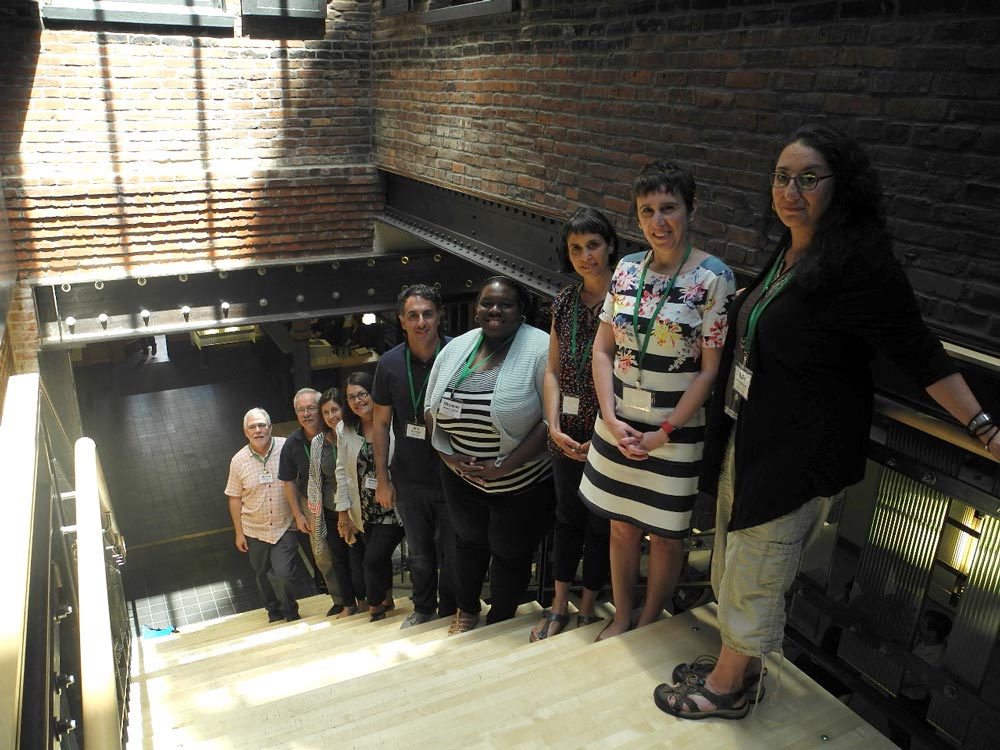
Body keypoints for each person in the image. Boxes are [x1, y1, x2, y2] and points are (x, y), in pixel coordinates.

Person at [654, 123, 1000, 721]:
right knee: (735, 558)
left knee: (757, 566)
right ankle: (742, 666)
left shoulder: (860, 263)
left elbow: (918, 352)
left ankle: (729, 688)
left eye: (808, 179)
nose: (791, 190)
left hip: (799, 450)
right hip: (756, 433)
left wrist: (985, 427)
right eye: (782, 177)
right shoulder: (794, 247)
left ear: (844, 187)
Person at [580, 161, 736, 642]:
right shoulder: (626, 269)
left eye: (668, 208)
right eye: (647, 210)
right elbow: (603, 348)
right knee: (622, 528)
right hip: (618, 423)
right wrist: (608, 414)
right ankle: (622, 615)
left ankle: (649, 623)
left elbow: (710, 371)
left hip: (674, 431)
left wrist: (663, 432)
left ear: (691, 210)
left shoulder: (714, 278)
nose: (658, 221)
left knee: (667, 537)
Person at [425, 276, 554, 634]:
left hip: (519, 483)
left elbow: (550, 420)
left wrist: (503, 466)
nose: (494, 310)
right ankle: (466, 611)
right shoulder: (458, 347)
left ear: (521, 310)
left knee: (509, 553)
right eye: (486, 303)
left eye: (505, 304)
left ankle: (500, 619)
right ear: (476, 308)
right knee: (466, 544)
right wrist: (449, 456)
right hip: (460, 478)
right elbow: (430, 405)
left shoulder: (540, 347)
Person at [529, 207, 617, 642]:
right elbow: (551, 371)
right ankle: (559, 605)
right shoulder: (563, 302)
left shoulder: (624, 302)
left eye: (593, 245)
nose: (586, 256)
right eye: (576, 248)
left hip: (609, 432)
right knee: (567, 518)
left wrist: (604, 430)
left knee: (600, 522)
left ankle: (588, 607)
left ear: (610, 246)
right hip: (564, 432)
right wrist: (552, 424)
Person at [373, 284, 457, 629]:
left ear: (439, 317)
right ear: (402, 321)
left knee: (454, 551)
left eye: (427, 313)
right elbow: (379, 424)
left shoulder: (459, 353)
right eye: (413, 315)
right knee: (420, 554)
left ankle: (454, 610)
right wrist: (382, 479)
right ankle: (423, 609)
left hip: (455, 475)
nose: (421, 321)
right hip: (409, 479)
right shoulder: (390, 363)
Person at [335, 371, 403, 622]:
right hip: (363, 507)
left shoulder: (393, 420)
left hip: (394, 506)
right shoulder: (345, 428)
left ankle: (375, 609)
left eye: (362, 394)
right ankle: (387, 599)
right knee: (379, 558)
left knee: (372, 560)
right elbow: (341, 471)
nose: (357, 401)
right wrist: (343, 511)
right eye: (351, 397)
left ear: (373, 393)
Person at [224, 408, 300, 623]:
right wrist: (239, 533)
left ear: (270, 427)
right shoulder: (238, 461)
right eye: (252, 427)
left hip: (285, 525)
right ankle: (273, 611)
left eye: (261, 425)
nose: (258, 430)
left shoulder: (286, 447)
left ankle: (290, 611)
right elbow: (234, 498)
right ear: (245, 432)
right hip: (254, 529)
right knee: (262, 573)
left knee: (283, 573)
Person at [279, 387, 346, 616]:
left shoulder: (338, 434)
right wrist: (298, 515)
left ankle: (365, 595)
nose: (306, 414)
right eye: (300, 410)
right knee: (324, 556)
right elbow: (288, 481)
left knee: (353, 550)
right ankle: (340, 599)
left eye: (310, 408)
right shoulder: (292, 443)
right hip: (314, 507)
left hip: (346, 499)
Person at [307, 388, 367, 618]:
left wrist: (350, 514)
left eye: (335, 410)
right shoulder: (318, 443)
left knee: (358, 560)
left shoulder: (354, 433)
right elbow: (315, 478)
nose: (332, 416)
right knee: (338, 560)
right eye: (326, 412)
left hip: (356, 509)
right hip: (331, 512)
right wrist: (316, 514)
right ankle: (348, 604)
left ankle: (365, 600)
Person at [888, 610, 952, 749]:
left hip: (909, 702)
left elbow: (907, 681)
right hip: (906, 696)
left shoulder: (934, 660)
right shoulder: (924, 641)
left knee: (899, 736)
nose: (919, 626)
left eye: (923, 625)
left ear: (933, 633)